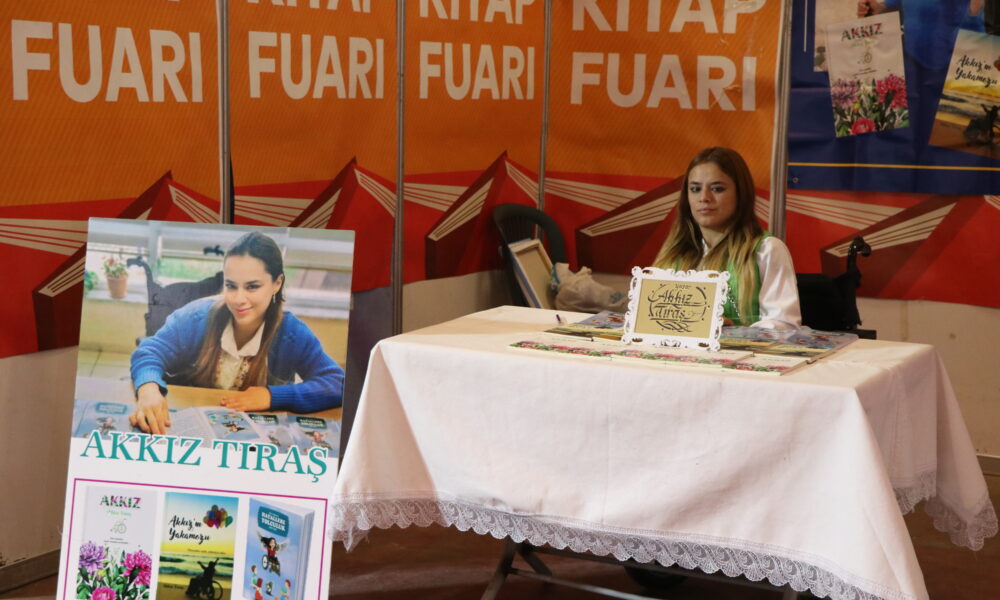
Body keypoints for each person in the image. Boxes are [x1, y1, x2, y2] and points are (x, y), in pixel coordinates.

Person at [130, 231, 345, 434]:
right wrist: (148, 389)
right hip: (195, 425)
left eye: (252, 287)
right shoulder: (196, 317)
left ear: (277, 283)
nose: (238, 299)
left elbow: (338, 384)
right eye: (231, 286)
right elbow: (149, 350)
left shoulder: (292, 332)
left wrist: (271, 396)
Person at [653, 147, 802, 329]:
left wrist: (732, 330)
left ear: (740, 193)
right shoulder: (674, 252)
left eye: (717, 189)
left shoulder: (767, 249)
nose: (704, 197)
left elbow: (784, 325)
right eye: (695, 189)